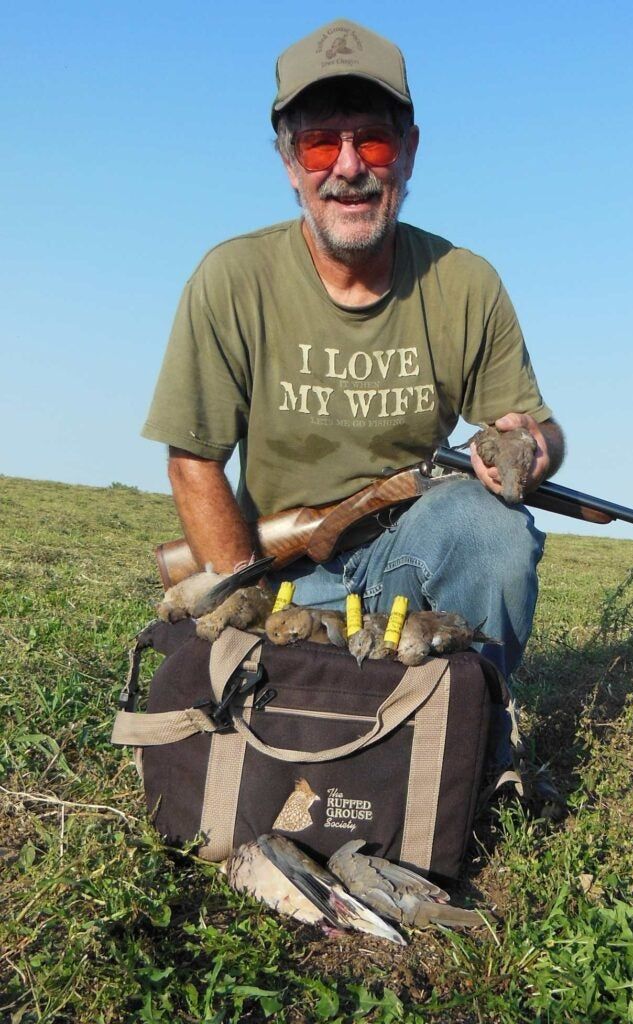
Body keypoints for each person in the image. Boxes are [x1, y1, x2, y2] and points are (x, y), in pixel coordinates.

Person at [143, 18, 565, 678]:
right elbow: (193, 461)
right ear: (289, 163)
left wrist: (532, 447)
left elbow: (535, 427)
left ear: (409, 151)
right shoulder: (232, 278)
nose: (348, 168)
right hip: (287, 577)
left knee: (493, 531)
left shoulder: (465, 282)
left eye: (373, 139)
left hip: (410, 562)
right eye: (319, 145)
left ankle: (474, 717)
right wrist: (243, 587)